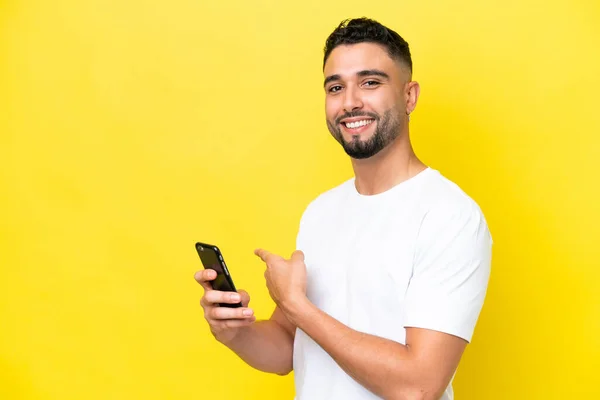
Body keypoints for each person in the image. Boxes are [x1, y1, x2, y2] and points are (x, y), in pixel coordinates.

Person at [195, 17, 492, 400]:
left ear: (409, 96)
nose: (350, 101)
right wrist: (235, 331)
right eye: (336, 87)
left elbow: (418, 386)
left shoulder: (450, 217)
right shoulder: (321, 212)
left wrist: (297, 307)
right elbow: (288, 347)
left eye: (370, 82)